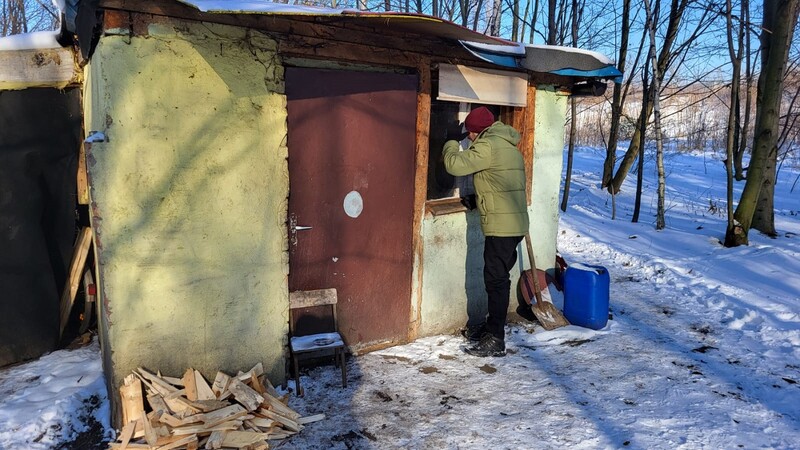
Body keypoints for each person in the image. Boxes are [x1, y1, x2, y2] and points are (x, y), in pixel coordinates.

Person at [443, 106, 529, 357]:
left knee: (496, 282)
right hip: (513, 224)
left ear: (476, 131)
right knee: (498, 279)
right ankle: (493, 328)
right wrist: (476, 197)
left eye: (469, 133)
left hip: (502, 227)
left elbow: (455, 165)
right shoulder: (507, 144)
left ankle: (496, 339)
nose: (468, 137)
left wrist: (449, 141)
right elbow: (496, 183)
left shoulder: (488, 145)